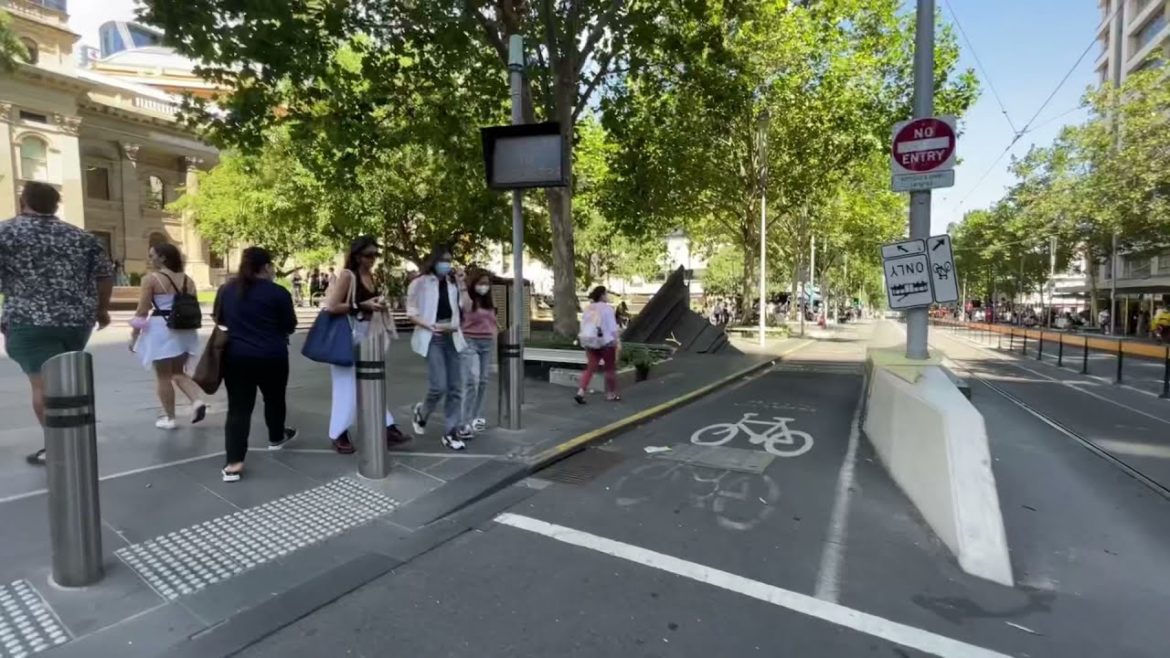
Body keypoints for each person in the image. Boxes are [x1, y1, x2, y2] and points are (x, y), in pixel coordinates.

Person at [0, 182, 113, 465]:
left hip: (29, 319)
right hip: (77, 320)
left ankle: (58, 447)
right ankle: (74, 441)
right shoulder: (82, 237)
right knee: (67, 382)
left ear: (23, 200)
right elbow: (104, 276)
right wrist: (101, 310)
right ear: (56, 204)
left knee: (43, 386)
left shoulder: (6, 232)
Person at [322, 236, 411, 454]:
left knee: (372, 382)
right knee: (346, 387)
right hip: (348, 336)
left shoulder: (369, 275)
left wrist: (378, 304)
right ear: (357, 255)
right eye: (368, 255)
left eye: (375, 255)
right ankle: (338, 433)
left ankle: (387, 427)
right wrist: (362, 305)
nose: (372, 259)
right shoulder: (347, 275)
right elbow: (331, 306)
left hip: (369, 335)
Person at [216, 247, 299, 482]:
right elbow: (289, 325)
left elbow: (220, 319)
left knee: (238, 409)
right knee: (274, 399)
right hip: (273, 355)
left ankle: (233, 463)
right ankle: (276, 436)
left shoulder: (227, 290)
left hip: (237, 357)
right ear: (267, 266)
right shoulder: (278, 293)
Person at [130, 242, 208, 430]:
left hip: (161, 329)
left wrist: (134, 334)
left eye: (152, 255)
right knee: (178, 372)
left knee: (163, 376)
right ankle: (197, 401)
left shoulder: (151, 279)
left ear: (163, 257)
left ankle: (170, 418)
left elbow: (142, 310)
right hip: (185, 329)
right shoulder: (188, 280)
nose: (150, 259)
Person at [407, 244, 469, 450]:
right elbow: (412, 312)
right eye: (443, 260)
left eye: (449, 261)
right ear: (434, 261)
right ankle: (422, 413)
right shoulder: (420, 283)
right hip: (432, 336)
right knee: (438, 386)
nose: (446, 264)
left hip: (453, 336)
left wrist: (462, 285)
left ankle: (451, 432)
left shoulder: (452, 284)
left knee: (456, 388)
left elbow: (466, 308)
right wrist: (429, 326)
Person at [459, 270, 497, 433]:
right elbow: (465, 307)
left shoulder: (488, 301)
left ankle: (477, 416)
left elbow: (493, 324)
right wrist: (461, 284)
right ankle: (464, 420)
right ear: (473, 283)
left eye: (487, 283)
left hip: (487, 343)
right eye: (481, 283)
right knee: (472, 381)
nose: (484, 286)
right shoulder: (467, 298)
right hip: (470, 341)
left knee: (483, 381)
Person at [575, 286, 621, 404]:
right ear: (602, 295)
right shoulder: (607, 309)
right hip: (607, 343)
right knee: (609, 369)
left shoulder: (588, 308)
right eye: (606, 294)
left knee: (590, 368)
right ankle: (611, 394)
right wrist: (617, 341)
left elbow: (583, 325)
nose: (607, 296)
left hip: (591, 342)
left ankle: (581, 391)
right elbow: (612, 328)